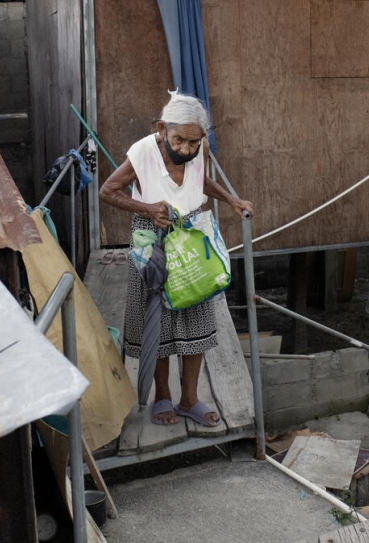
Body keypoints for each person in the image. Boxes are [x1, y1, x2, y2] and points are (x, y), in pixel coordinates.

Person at [99, 91, 254, 427]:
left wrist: (231, 199)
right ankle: (163, 397)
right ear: (161, 129)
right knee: (157, 320)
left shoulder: (199, 149)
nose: (185, 149)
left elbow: (201, 179)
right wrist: (147, 208)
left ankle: (189, 400)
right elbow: (107, 191)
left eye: (193, 142)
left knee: (196, 315)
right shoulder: (142, 152)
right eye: (179, 140)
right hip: (150, 236)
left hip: (190, 234)